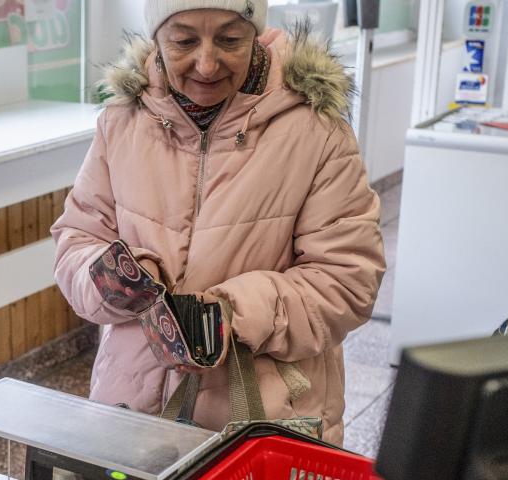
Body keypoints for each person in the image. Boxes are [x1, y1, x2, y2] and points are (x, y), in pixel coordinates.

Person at [52, 0, 385, 446]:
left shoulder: (316, 131)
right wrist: (114, 278)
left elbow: (348, 279)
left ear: (255, 33)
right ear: (157, 38)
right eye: (184, 40)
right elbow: (77, 238)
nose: (207, 64)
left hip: (267, 421)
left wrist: (233, 314)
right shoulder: (121, 123)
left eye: (230, 39)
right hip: (133, 407)